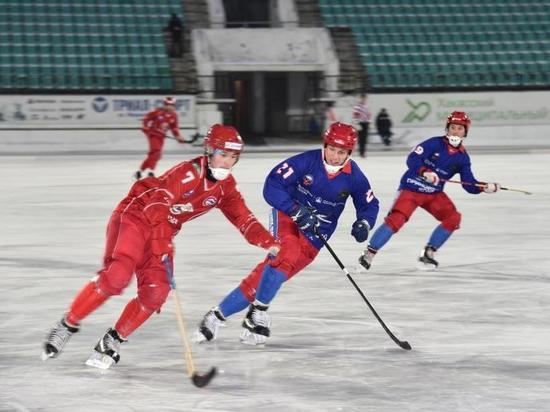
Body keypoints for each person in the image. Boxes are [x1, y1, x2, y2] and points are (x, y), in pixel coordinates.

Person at [42, 124, 281, 369]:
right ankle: (67, 325)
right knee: (117, 276)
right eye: (223, 155)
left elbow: (244, 219)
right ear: (209, 151)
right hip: (134, 218)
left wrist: (269, 242)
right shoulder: (188, 173)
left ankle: (111, 341)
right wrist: (162, 240)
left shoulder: (226, 188)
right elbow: (157, 204)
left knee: (156, 293)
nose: (227, 163)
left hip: (162, 233)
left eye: (233, 157)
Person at [194, 122, 380, 346]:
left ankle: (216, 316)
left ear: (349, 153)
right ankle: (258, 313)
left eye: (341, 152)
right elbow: (272, 184)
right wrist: (295, 210)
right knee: (286, 251)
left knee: (270, 276)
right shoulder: (306, 161)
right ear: (325, 144)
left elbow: (368, 204)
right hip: (288, 217)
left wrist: (364, 223)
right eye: (331, 149)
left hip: (316, 235)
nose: (334, 156)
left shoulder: (354, 176)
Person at [359, 111, 501, 271]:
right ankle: (369, 253)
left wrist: (483, 187)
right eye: (453, 127)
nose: (455, 131)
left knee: (453, 218)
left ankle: (428, 253)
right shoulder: (434, 143)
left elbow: (468, 184)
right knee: (396, 220)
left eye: (460, 128)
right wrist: (424, 171)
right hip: (411, 188)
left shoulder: (463, 158)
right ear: (447, 128)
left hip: (433, 194)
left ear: (465, 132)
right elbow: (412, 158)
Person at [136, 97, 184, 180]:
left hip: (161, 136)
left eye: (171, 105)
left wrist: (178, 137)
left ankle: (140, 171)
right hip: (153, 134)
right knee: (156, 152)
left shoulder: (174, 116)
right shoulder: (157, 112)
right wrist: (145, 127)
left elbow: (174, 128)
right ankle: (151, 172)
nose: (169, 107)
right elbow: (146, 119)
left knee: (154, 154)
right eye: (167, 105)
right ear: (164, 105)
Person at [352, 93, 371, 158]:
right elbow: (355, 115)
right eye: (363, 98)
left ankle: (363, 152)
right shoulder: (357, 106)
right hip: (360, 123)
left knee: (364, 139)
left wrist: (369, 122)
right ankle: (361, 152)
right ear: (361, 98)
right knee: (361, 138)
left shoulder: (367, 106)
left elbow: (368, 115)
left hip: (366, 123)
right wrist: (357, 124)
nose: (364, 99)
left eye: (365, 98)